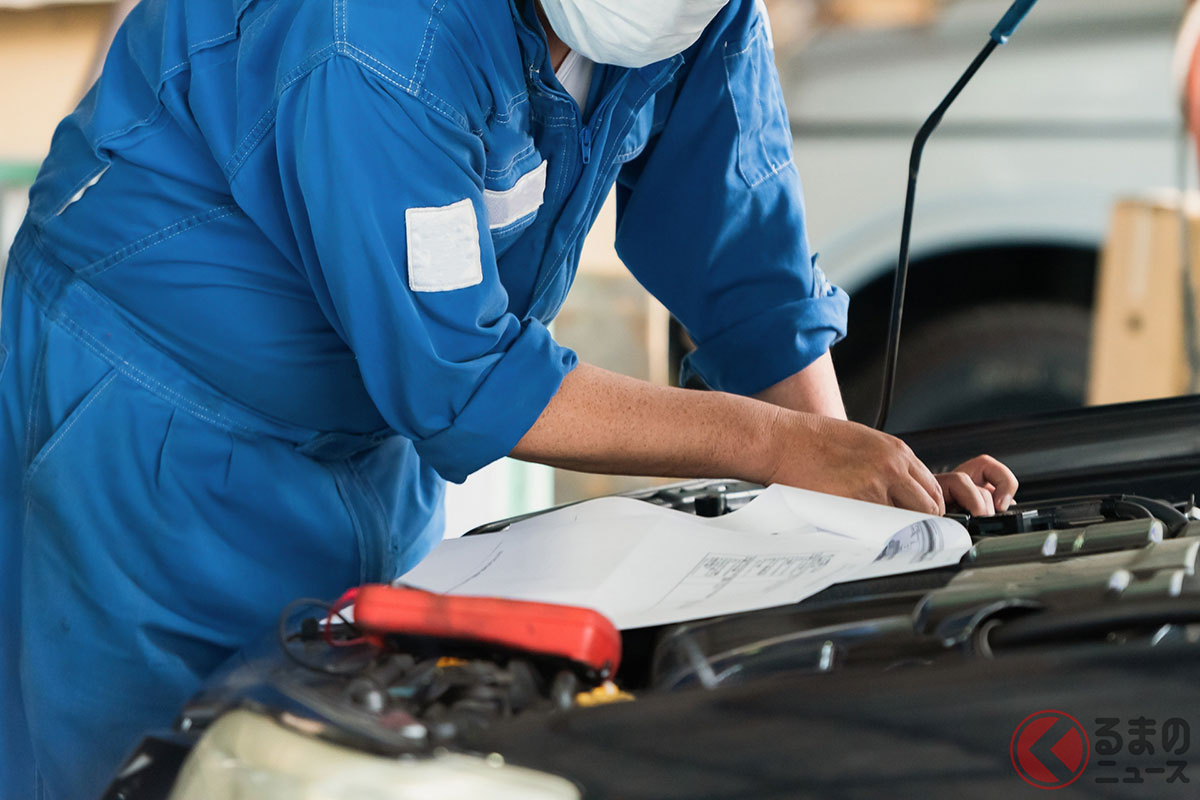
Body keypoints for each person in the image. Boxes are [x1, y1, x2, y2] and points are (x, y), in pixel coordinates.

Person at [0, 0, 1018, 795]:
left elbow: (748, 274)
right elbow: (464, 380)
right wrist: (772, 445)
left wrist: (859, 497)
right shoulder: (375, 33)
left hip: (367, 430)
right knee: (143, 764)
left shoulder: (691, 19)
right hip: (150, 424)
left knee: (342, 749)